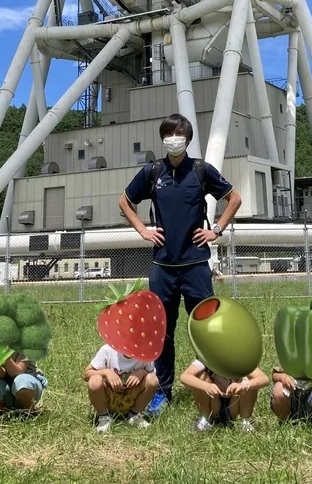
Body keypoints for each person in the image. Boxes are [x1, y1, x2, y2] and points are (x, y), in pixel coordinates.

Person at [119, 113, 242, 415]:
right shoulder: (153, 172)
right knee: (162, 331)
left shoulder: (201, 171)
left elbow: (234, 199)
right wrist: (143, 230)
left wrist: (216, 230)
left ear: (187, 139)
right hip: (162, 267)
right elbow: (124, 201)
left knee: (206, 328)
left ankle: (217, 387)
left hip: (196, 264)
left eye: (179, 135)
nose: (173, 140)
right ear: (163, 138)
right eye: (168, 134)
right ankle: (163, 391)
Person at [84, 342, 160, 433]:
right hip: (109, 396)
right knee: (94, 380)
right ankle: (104, 417)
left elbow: (153, 378)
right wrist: (107, 372)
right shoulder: (108, 350)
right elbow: (86, 375)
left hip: (131, 396)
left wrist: (142, 373)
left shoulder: (145, 355)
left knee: (152, 380)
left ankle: (134, 415)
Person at [181, 359, 269, 432]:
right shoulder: (206, 359)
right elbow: (184, 377)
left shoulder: (242, 360)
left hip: (234, 405)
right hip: (213, 404)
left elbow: (264, 379)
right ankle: (205, 419)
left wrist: (244, 385)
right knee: (201, 376)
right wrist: (206, 386)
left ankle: (245, 421)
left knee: (249, 379)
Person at [0, 351, 47, 415]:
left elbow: (17, 373)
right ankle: (1, 413)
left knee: (21, 381)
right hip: (8, 388)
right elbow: (0, 375)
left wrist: (5, 356)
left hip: (28, 387)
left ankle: (29, 412)